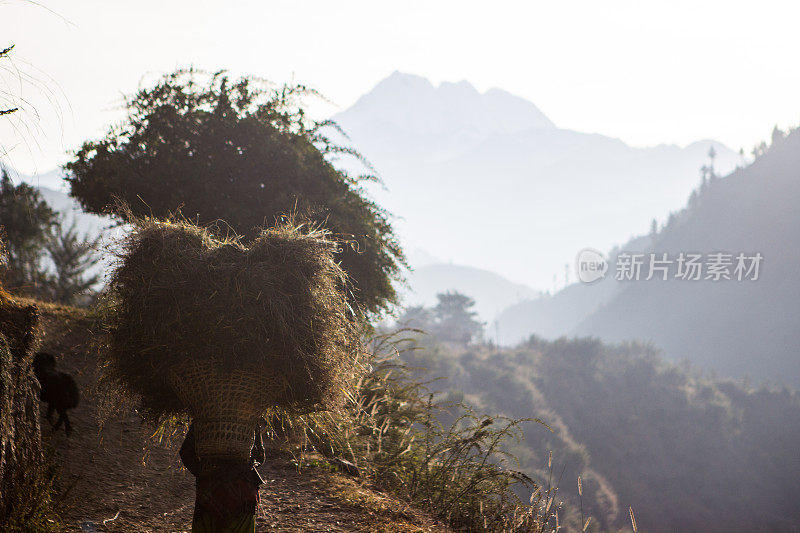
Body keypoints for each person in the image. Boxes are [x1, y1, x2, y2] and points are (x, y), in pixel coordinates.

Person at [180, 423, 266, 533]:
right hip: (242, 493)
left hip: (210, 491)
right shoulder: (250, 419)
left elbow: (185, 452)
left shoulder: (203, 420)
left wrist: (202, 472)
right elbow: (260, 456)